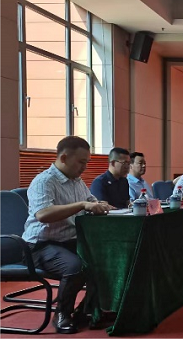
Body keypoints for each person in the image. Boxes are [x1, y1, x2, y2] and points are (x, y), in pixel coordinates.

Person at [22, 136, 113, 334]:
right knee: (76, 267)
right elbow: (43, 214)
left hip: (69, 241)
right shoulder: (44, 181)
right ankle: (62, 314)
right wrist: (81, 205)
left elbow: (90, 200)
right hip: (40, 245)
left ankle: (87, 311)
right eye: (81, 162)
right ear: (63, 158)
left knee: (105, 261)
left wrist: (101, 205)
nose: (84, 167)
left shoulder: (77, 181)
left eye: (86, 162)